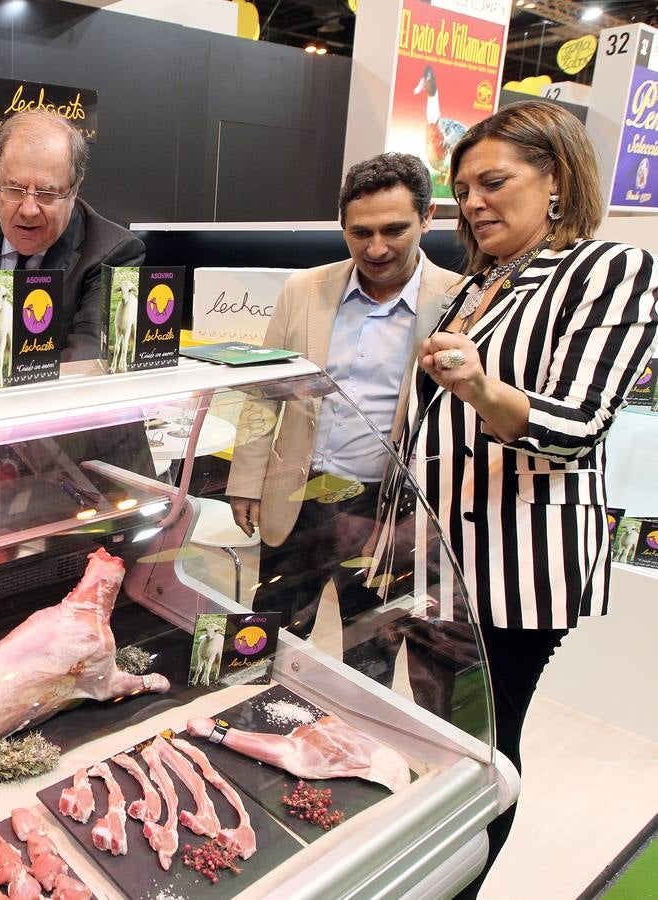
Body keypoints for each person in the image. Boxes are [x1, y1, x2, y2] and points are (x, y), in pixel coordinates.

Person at [403, 100, 657, 893]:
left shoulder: (608, 269)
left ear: (556, 179)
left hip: (517, 566)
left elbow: (576, 425)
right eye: (462, 189)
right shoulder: (481, 282)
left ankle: (456, 885)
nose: (473, 203)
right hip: (439, 557)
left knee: (483, 748)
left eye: (493, 182)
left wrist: (480, 386)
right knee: (436, 736)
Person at [225, 153, 461, 665]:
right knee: (267, 631)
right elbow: (265, 392)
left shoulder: (459, 300)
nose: (375, 248)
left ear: (427, 218)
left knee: (371, 646)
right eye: (360, 233)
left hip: (385, 506)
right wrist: (245, 481)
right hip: (298, 494)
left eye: (393, 230)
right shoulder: (304, 290)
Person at [0, 108, 145, 361]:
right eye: (14, 189)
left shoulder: (115, 253)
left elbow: (89, 361)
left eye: (47, 193)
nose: (28, 210)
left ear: (74, 189)